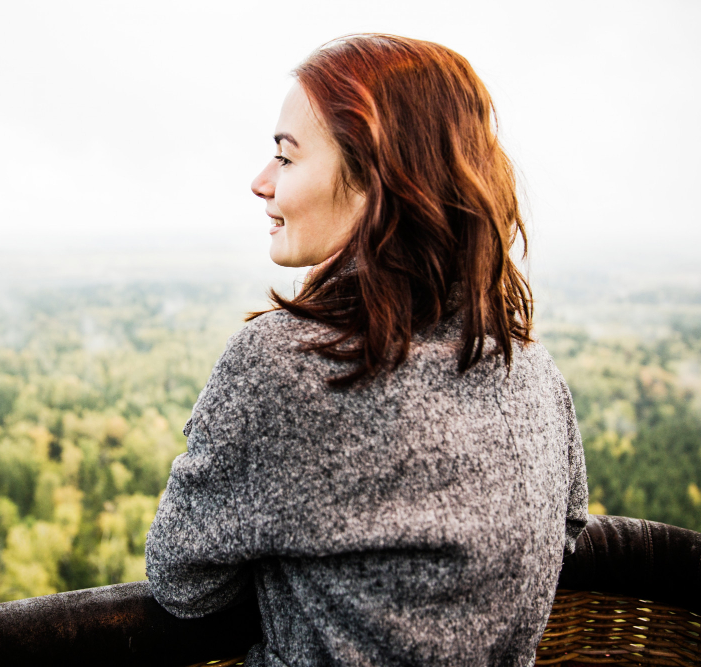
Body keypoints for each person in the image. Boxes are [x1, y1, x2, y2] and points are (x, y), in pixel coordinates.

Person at [144, 34, 588, 667]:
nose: (260, 182)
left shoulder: (283, 364)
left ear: (373, 180)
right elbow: (566, 530)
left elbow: (183, 581)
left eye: (286, 158)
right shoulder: (530, 368)